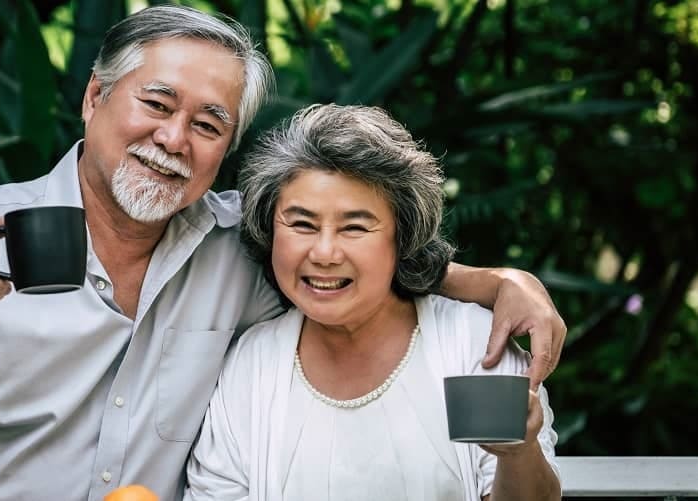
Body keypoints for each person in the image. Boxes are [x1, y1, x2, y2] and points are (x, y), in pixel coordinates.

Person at [0, 6, 566, 501]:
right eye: (157, 104)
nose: (174, 139)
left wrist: (499, 281)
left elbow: (350, 262)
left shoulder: (243, 242)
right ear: (94, 97)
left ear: (226, 148)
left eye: (209, 123)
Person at [184, 104, 561, 501]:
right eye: (302, 224)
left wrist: (519, 453)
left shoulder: (473, 343)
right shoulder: (251, 364)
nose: (325, 252)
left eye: (354, 227)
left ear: (402, 237)